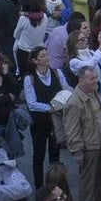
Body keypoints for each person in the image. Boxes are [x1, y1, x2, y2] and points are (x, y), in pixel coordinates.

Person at [64, 65, 101, 201]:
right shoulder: (74, 102)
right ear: (80, 80)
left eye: (96, 78)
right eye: (92, 78)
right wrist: (77, 151)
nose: (95, 81)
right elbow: (72, 130)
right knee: (88, 184)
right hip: (89, 148)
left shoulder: (95, 94)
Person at [23, 45, 69, 186]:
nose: (47, 57)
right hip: (39, 122)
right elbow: (31, 103)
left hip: (56, 120)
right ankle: (39, 185)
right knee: (39, 153)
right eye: (43, 56)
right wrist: (50, 108)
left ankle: (55, 182)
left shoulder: (56, 73)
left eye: (47, 55)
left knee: (55, 152)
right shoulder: (29, 79)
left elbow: (66, 89)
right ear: (35, 61)